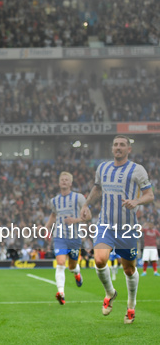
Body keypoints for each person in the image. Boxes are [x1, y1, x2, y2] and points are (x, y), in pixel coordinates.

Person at [79, 135, 154, 324]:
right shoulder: (103, 168)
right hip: (105, 224)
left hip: (127, 228)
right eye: (115, 145)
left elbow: (150, 195)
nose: (118, 147)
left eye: (122, 145)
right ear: (112, 148)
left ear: (129, 149)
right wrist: (86, 204)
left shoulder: (137, 170)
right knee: (99, 259)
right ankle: (110, 292)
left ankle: (131, 306)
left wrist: (136, 201)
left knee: (129, 269)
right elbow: (97, 189)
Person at [43, 171, 86, 305]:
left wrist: (76, 220)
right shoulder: (54, 201)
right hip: (59, 236)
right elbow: (53, 216)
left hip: (74, 237)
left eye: (67, 179)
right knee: (61, 263)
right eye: (62, 179)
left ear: (71, 183)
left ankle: (77, 273)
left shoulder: (79, 198)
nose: (64, 181)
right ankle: (61, 293)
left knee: (72, 267)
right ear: (59, 182)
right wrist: (46, 228)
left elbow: (87, 215)